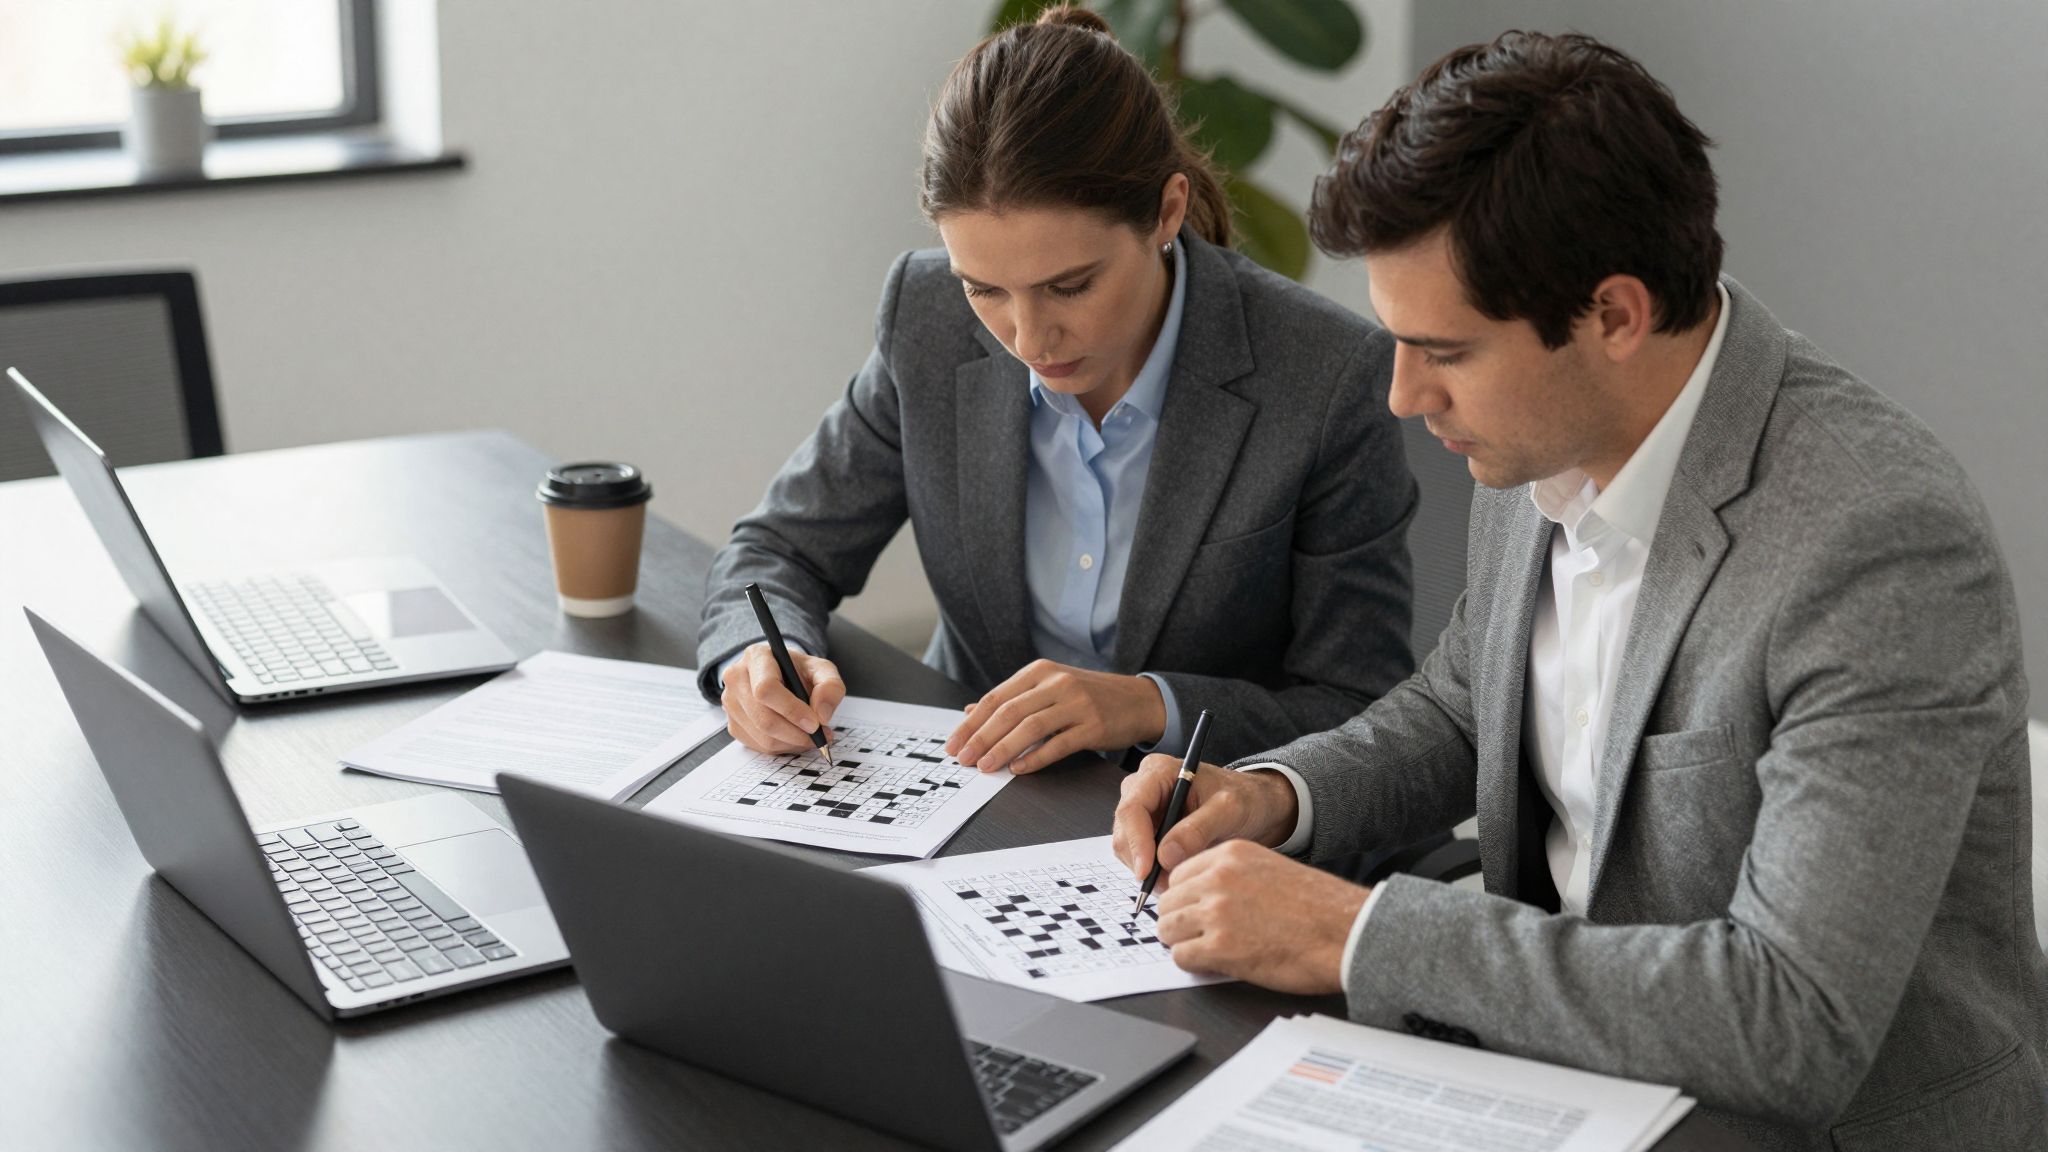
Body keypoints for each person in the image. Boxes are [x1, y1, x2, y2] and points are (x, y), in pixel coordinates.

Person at [1112, 30, 2046, 1149]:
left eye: (1443, 352)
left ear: (1612, 316)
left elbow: (1789, 1017)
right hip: (1560, 1083)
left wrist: (1358, 933)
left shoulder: (1877, 546)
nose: (1405, 397)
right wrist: (1276, 796)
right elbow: (1465, 708)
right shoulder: (1547, 426)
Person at [698, 6, 1417, 775]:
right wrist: (758, 658)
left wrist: (1148, 704)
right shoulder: (927, 316)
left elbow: (1357, 706)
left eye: (1069, 286)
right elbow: (779, 547)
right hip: (969, 793)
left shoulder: (1326, 377)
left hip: (1202, 833)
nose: (1028, 339)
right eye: (986, 290)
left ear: (1167, 211)